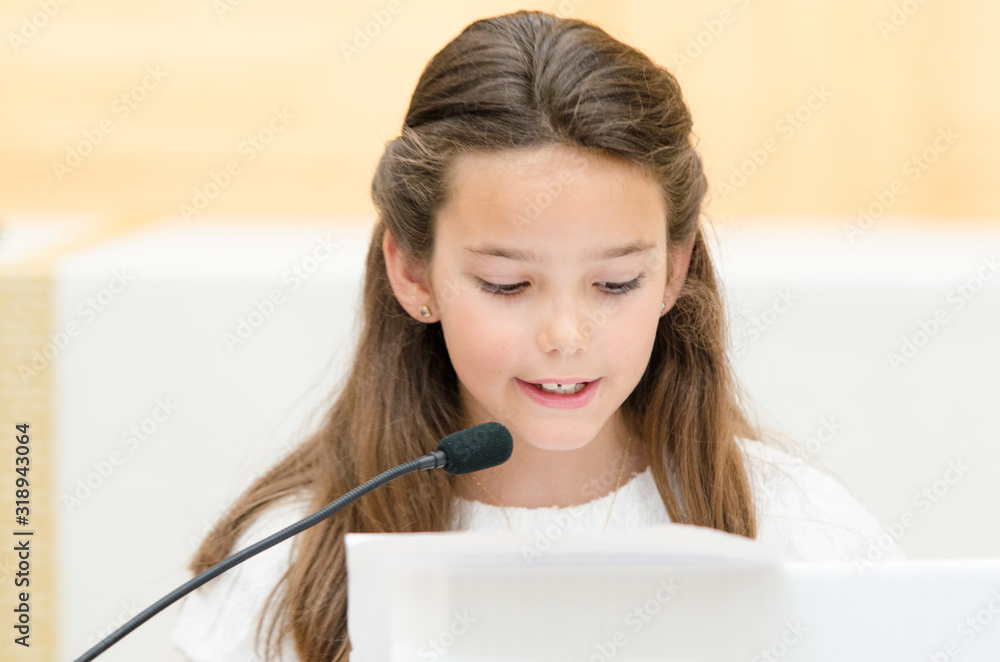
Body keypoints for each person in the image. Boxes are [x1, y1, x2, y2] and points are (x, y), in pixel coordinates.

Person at [171, 9, 903, 662]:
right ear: (415, 272)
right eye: (507, 286)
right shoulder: (285, 566)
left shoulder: (805, 536)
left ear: (674, 271)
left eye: (615, 285)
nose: (563, 335)